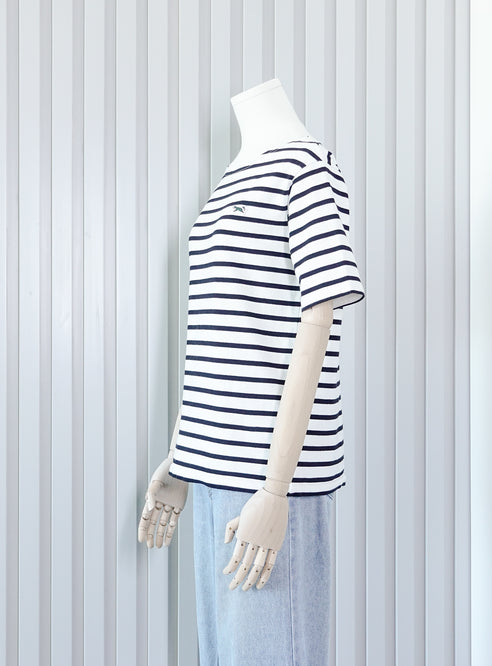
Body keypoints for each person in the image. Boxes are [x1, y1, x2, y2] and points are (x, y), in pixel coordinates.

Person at [138, 77, 365, 665]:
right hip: (210, 473)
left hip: (267, 480)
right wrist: (182, 457)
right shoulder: (230, 179)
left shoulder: (309, 168)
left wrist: (275, 489)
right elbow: (218, 332)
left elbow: (320, 319)